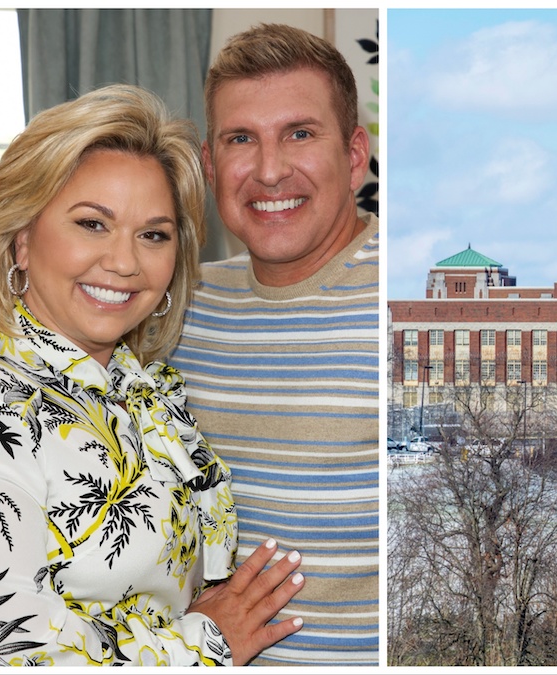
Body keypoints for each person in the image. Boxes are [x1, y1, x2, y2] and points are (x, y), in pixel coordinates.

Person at [0, 84, 307, 666]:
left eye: (153, 234)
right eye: (92, 224)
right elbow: (12, 653)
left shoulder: (147, 391)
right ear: (22, 240)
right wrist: (206, 642)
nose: (125, 262)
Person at [171, 24, 379, 666]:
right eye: (241, 139)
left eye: (299, 133)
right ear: (210, 164)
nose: (268, 170)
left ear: (353, 156)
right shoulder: (174, 305)